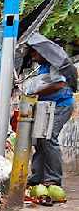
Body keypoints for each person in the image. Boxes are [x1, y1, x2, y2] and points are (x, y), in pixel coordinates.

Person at [26, 41, 75, 187]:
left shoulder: (55, 65)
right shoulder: (42, 68)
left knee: (49, 138)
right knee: (41, 140)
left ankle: (54, 179)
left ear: (43, 52)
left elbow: (59, 84)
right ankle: (37, 177)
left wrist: (36, 92)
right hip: (47, 106)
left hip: (61, 105)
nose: (33, 57)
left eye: (34, 53)